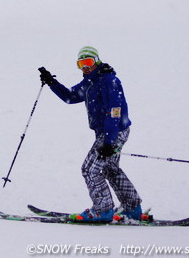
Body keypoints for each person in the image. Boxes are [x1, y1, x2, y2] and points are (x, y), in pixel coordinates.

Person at [38, 46, 143, 223]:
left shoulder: (108, 80)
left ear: (97, 61)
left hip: (114, 131)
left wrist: (109, 142)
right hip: (109, 132)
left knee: (89, 169)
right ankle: (132, 208)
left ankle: (103, 210)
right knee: (109, 168)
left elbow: (114, 111)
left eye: (88, 62)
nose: (85, 67)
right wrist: (51, 83)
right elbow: (70, 97)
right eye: (81, 63)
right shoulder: (90, 82)